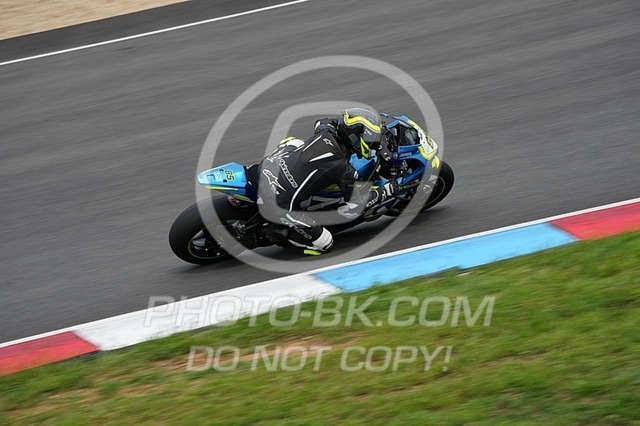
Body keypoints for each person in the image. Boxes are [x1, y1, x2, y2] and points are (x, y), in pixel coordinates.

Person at [257, 107, 397, 255]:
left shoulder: (325, 131)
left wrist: (346, 123)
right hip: (278, 203)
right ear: (355, 137)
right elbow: (357, 206)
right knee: (325, 242)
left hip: (269, 167)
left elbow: (322, 121)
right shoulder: (342, 168)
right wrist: (387, 191)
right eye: (370, 138)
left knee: (295, 142)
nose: (373, 142)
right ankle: (274, 231)